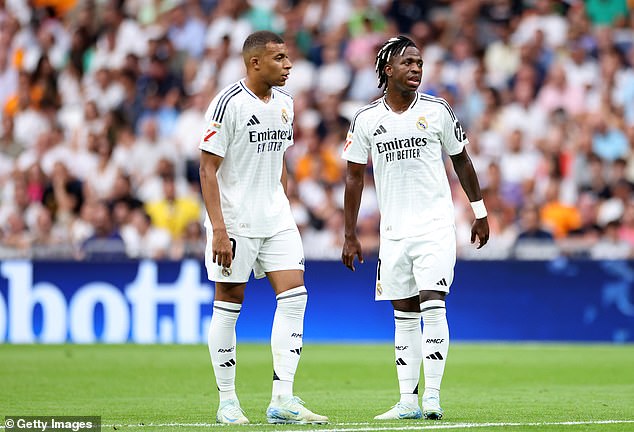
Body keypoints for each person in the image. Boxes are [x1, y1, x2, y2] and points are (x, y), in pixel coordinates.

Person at [341, 36, 490, 421]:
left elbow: (462, 161)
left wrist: (480, 211)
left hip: (436, 227)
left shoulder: (438, 110)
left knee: (433, 302)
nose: (416, 69)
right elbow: (354, 179)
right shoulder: (366, 120)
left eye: (420, 63)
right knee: (403, 314)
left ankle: (433, 399)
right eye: (408, 62)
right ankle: (408, 399)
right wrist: (349, 233)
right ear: (387, 70)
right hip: (393, 233)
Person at [198, 31, 328, 426]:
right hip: (235, 220)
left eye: (288, 57)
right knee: (229, 304)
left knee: (295, 297)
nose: (289, 65)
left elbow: (281, 162)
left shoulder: (286, 104)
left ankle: (282, 399)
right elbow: (207, 168)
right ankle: (227, 401)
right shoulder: (227, 104)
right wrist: (219, 230)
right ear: (255, 63)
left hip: (276, 218)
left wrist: (284, 206)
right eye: (279, 58)